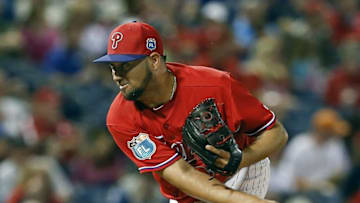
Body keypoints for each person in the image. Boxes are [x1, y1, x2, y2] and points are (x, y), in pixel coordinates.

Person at [93, 21, 288, 203]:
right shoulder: (120, 118)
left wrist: (242, 159)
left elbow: (276, 132)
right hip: (187, 190)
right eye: (113, 67)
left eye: (125, 66)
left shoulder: (214, 85)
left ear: (154, 61)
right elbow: (183, 174)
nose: (117, 76)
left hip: (242, 172)